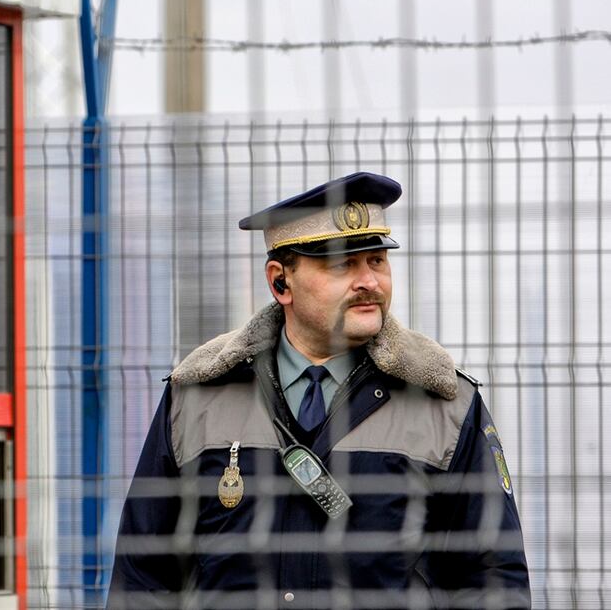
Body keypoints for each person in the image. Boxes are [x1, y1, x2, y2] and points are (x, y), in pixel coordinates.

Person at [107, 172, 530, 610]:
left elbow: (492, 578)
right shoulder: (196, 398)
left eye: (377, 261)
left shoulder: (445, 404)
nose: (369, 281)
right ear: (280, 282)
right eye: (342, 264)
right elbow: (142, 577)